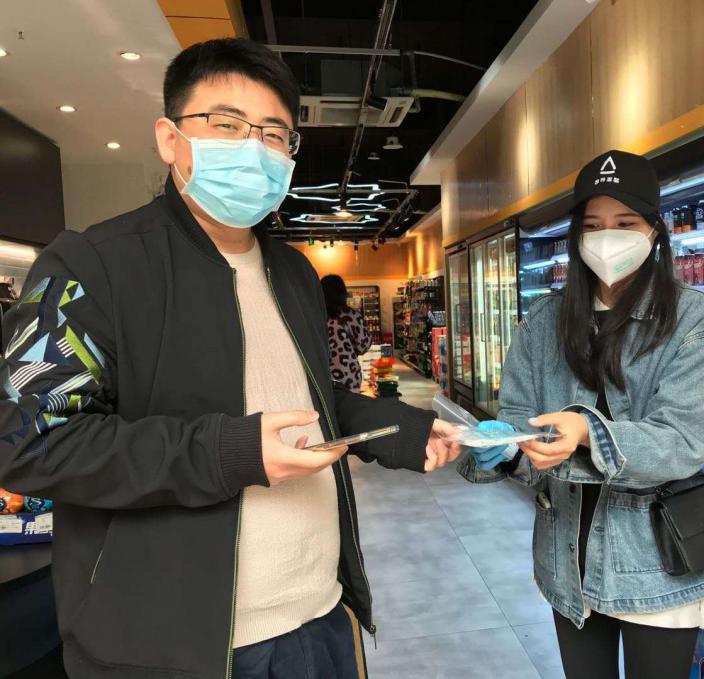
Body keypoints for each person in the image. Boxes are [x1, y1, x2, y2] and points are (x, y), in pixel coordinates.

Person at [0, 38, 459, 679]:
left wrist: (403, 431)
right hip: (166, 648)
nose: (254, 148)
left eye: (274, 133)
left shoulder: (293, 273)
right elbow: (30, 441)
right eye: (227, 124)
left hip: (318, 615)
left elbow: (309, 399)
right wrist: (226, 453)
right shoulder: (90, 266)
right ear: (169, 138)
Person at [458, 151, 704, 679]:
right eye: (592, 225)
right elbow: (523, 425)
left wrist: (587, 431)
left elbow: (685, 440)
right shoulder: (545, 322)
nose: (607, 238)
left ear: (654, 230)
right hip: (567, 561)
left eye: (624, 223)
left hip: (657, 566)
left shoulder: (692, 320)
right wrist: (504, 449)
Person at [321, 275, 372, 391]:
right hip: (349, 375)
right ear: (343, 293)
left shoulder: (317, 317)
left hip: (324, 377)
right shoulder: (353, 316)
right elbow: (364, 346)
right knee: (351, 402)